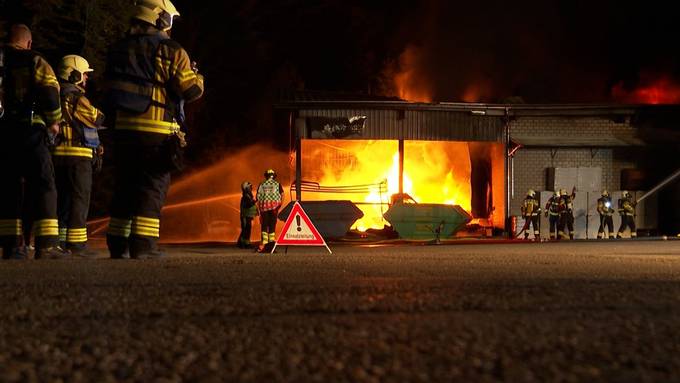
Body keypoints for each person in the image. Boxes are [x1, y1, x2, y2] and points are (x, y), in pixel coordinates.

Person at [104, 0, 204, 259]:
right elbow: (190, 90)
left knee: (125, 186)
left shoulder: (118, 49)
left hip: (123, 130)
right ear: (161, 19)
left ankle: (117, 245)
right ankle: (144, 246)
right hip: (156, 131)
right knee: (151, 187)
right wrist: (197, 77)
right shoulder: (171, 50)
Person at [0, 24, 67, 259]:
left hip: (4, 132)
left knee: (9, 187)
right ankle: (47, 245)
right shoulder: (35, 60)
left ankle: (11, 246)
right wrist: (54, 122)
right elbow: (50, 93)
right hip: (30, 131)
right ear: (28, 43)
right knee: (43, 183)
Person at [53, 55, 105, 256]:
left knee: (63, 200)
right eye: (84, 74)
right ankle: (77, 244)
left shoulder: (54, 95)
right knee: (79, 200)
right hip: (78, 155)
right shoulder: (76, 98)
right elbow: (97, 118)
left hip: (57, 155)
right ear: (74, 75)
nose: (86, 79)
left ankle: (61, 242)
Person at [256, 169, 283, 253]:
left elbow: (258, 197)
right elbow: (282, 195)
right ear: (274, 176)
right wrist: (279, 206)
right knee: (272, 228)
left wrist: (259, 210)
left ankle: (264, 245)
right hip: (274, 209)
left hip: (264, 209)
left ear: (266, 176)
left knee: (264, 227)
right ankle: (271, 246)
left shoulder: (262, 184)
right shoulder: (277, 184)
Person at [238, 181, 257, 248]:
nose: (251, 188)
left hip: (248, 216)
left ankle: (243, 243)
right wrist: (255, 201)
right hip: (245, 216)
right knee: (245, 229)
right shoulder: (246, 197)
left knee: (247, 229)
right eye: (250, 187)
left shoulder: (248, 196)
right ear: (246, 188)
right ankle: (244, 244)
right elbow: (248, 205)